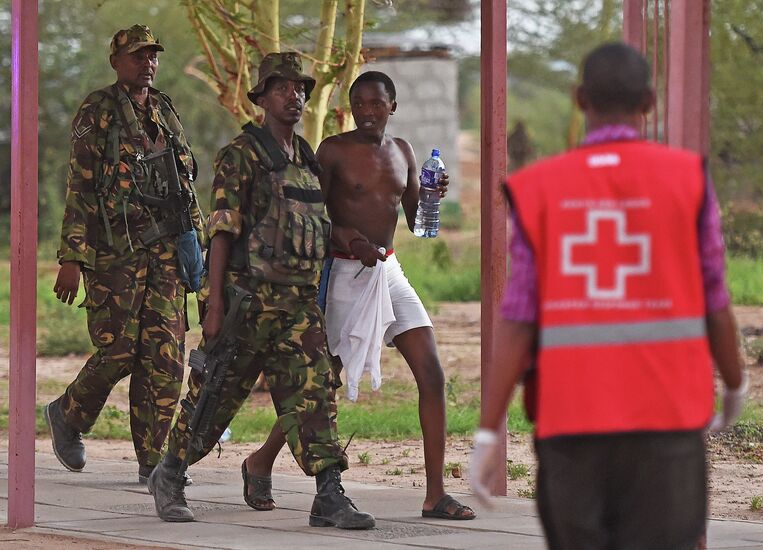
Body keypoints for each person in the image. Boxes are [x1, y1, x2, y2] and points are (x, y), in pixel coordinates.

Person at [469, 42, 749, 549]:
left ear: (580, 99)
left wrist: (489, 430)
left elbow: (518, 319)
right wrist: (733, 384)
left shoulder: (541, 190)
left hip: (571, 426)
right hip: (667, 424)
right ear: (648, 103)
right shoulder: (687, 180)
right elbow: (715, 300)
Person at [147, 52, 375, 530]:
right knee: (214, 396)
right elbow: (223, 232)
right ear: (263, 97)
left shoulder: (307, 157)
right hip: (246, 303)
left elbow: (313, 226)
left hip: (296, 306)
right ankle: (170, 473)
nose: (294, 97)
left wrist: (350, 240)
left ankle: (329, 494)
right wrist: (212, 306)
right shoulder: (242, 155)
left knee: (315, 393)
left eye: (300, 90)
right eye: (283, 89)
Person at [240, 71, 476, 521]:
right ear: (351, 109)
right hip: (343, 273)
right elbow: (312, 217)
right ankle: (260, 460)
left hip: (387, 269)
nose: (368, 112)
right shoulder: (333, 150)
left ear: (393, 106)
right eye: (360, 104)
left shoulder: (403, 152)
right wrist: (350, 240)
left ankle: (435, 496)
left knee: (432, 372)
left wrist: (431, 196)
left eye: (377, 104)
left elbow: (414, 218)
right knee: (320, 383)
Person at [46, 24, 204, 485]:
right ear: (116, 62)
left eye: (152, 55)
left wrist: (202, 246)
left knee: (165, 357)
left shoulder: (165, 110)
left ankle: (153, 462)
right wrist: (72, 257)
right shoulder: (98, 110)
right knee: (118, 351)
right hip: (117, 253)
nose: (147, 63)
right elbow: (80, 185)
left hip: (168, 254)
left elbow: (184, 184)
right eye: (138, 56)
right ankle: (68, 413)